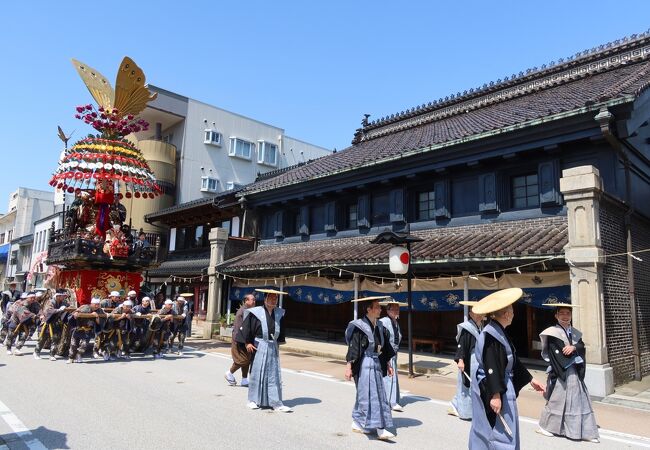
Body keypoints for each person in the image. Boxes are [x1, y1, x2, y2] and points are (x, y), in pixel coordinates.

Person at [469, 288, 546, 449]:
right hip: (496, 387)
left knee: (502, 427)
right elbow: (492, 366)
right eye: (511, 310)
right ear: (505, 314)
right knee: (498, 430)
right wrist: (495, 394)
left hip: (503, 384)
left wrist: (531, 379)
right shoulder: (491, 335)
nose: (513, 313)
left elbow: (512, 360)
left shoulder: (499, 332)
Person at [537, 302, 599, 443]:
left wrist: (574, 347)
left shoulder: (575, 332)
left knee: (579, 400)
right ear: (556, 315)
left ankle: (582, 431)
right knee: (557, 401)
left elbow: (581, 346)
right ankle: (546, 426)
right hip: (562, 370)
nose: (565, 316)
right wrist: (571, 354)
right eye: (562, 313)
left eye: (568, 313)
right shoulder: (552, 332)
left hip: (575, 371)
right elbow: (555, 352)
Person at [346, 296, 396, 441]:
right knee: (370, 395)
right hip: (365, 364)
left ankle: (358, 422)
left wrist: (387, 364)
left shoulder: (380, 326)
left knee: (373, 394)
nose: (380, 309)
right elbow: (354, 347)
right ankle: (380, 429)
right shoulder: (359, 326)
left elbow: (384, 347)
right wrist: (349, 366)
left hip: (376, 362)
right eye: (377, 307)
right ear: (369, 309)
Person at [237, 288, 291, 412]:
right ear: (265, 298)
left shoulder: (279, 313)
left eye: (275, 298)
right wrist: (248, 342)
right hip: (259, 345)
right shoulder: (255, 312)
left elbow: (281, 330)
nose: (273, 300)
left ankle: (275, 402)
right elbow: (247, 328)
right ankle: (252, 400)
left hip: (272, 346)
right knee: (257, 373)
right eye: (271, 297)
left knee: (273, 375)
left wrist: (277, 343)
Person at [449, 300, 484, 420]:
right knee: (465, 385)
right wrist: (460, 360)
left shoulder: (480, 327)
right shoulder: (467, 328)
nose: (479, 315)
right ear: (470, 314)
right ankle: (464, 412)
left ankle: (455, 404)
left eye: (481, 312)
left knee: (473, 386)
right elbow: (461, 345)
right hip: (468, 360)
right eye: (476, 313)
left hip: (476, 361)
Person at [378, 299, 406, 412]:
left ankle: (392, 399)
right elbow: (382, 337)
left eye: (397, 309)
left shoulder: (396, 323)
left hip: (394, 352)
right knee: (390, 376)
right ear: (388, 310)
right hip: (386, 352)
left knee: (392, 375)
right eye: (393, 309)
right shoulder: (383, 321)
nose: (396, 311)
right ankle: (392, 402)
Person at [225, 293, 256, 387]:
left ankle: (244, 379)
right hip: (239, 339)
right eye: (252, 300)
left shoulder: (249, 310)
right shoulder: (242, 311)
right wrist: (245, 341)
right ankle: (229, 373)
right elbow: (240, 328)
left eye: (254, 300)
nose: (254, 301)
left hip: (246, 338)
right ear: (246, 301)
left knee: (248, 358)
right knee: (242, 360)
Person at [34, 289, 70, 360]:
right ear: (58, 296)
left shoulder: (64, 302)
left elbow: (68, 307)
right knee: (43, 339)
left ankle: (52, 355)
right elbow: (48, 311)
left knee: (55, 339)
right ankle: (36, 352)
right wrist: (59, 310)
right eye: (63, 296)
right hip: (47, 322)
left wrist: (69, 309)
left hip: (56, 323)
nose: (64, 297)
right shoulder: (50, 302)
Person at [69, 298, 104, 363]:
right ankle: (71, 358)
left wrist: (96, 317)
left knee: (84, 345)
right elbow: (75, 312)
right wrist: (76, 313)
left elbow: (100, 322)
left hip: (88, 330)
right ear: (92, 304)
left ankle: (79, 355)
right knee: (73, 345)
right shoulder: (85, 307)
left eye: (98, 304)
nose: (97, 306)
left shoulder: (99, 311)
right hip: (78, 328)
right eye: (95, 304)